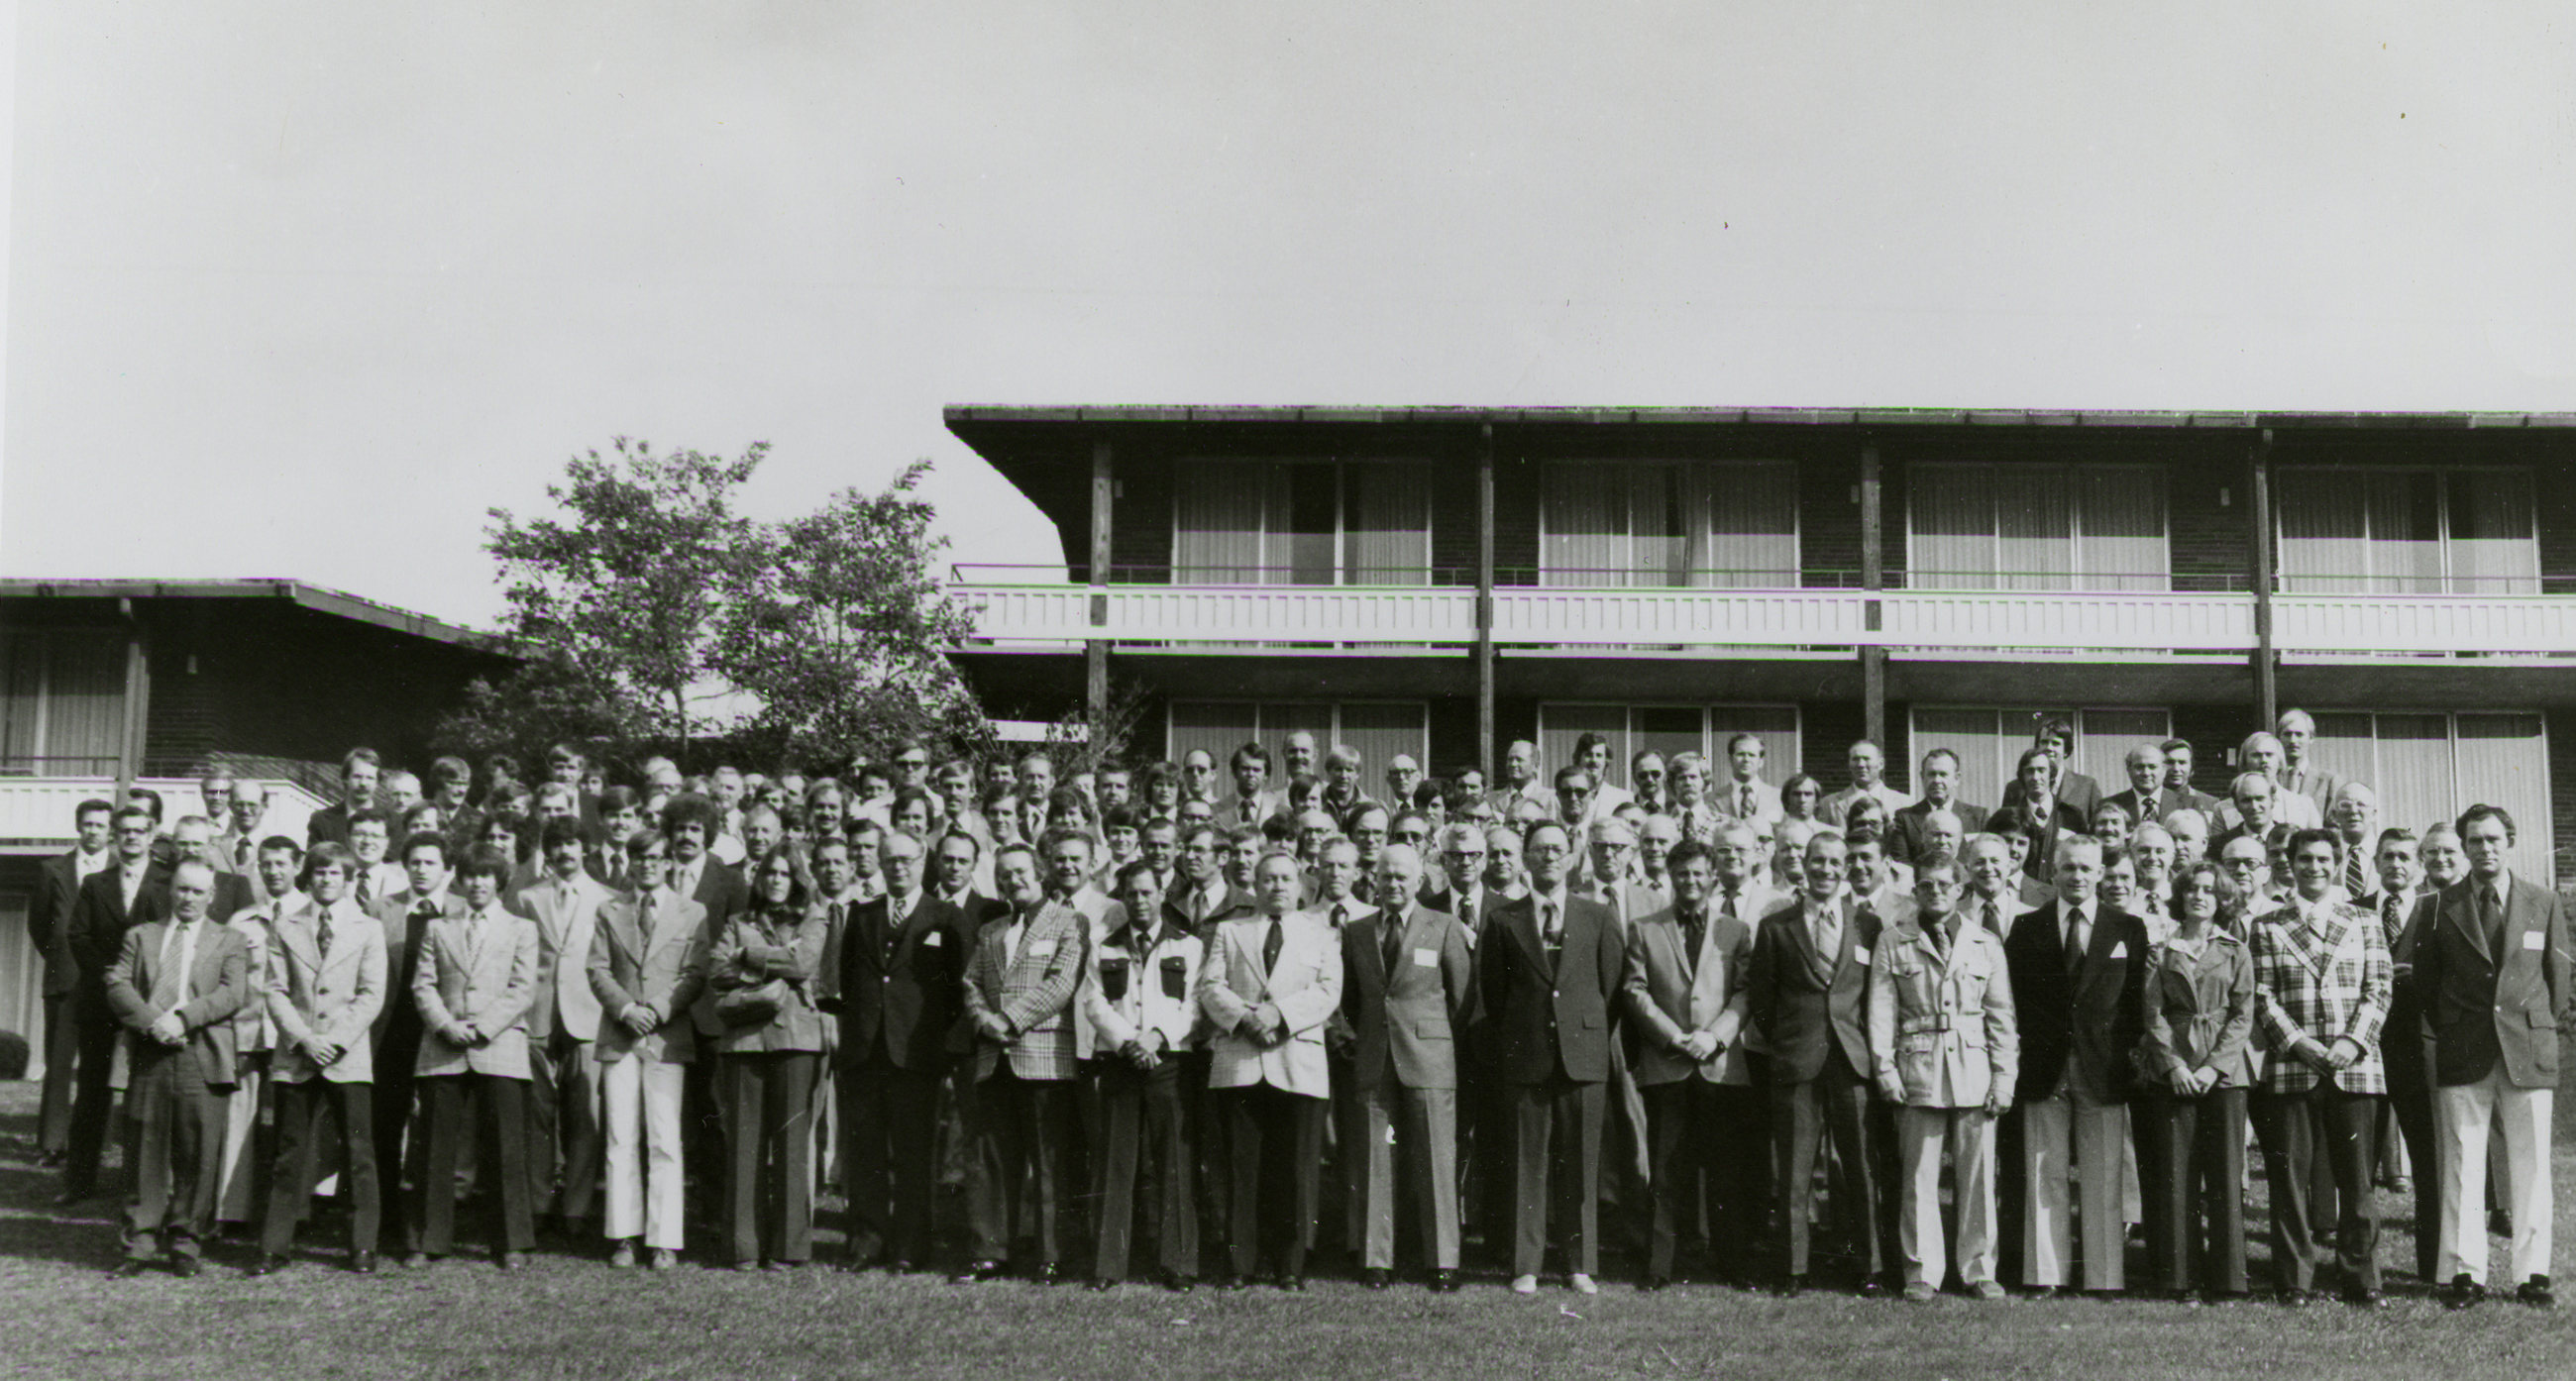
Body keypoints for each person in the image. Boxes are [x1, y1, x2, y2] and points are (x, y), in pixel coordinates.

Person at [2416, 803, 2570, 1310]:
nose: (2484, 849)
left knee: (2532, 1164)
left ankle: (2533, 1273)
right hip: (2464, 1046)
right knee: (2462, 1161)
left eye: (2493, 839)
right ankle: (2465, 1272)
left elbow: (2558, 980)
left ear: (2510, 842)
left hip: (2527, 1046)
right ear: (2464, 847)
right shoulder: (2437, 906)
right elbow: (2426, 983)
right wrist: (2454, 1026)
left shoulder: (2543, 901)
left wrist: (2534, 1027)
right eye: (2475, 841)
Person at [2247, 828, 2392, 1308]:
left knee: (2357, 1181)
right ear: (2290, 864)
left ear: (2337, 864)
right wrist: (2298, 1043)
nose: (2314, 867)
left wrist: (2353, 1041)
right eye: (2305, 859)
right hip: (2293, 1067)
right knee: (2290, 1180)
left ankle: (2362, 1278)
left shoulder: (2364, 920)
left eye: (2323, 859)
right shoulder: (2267, 925)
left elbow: (2379, 988)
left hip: (2356, 1066)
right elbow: (2261, 995)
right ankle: (2294, 1280)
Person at [1999, 836, 2147, 1296]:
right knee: (2044, 1171)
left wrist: (2125, 1057)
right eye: (2069, 867)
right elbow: (2013, 999)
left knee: (2104, 1174)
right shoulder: (2027, 926)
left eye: (2086, 868)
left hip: (2103, 1067)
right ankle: (2046, 1273)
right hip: (2043, 1066)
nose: (2077, 876)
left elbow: (2136, 1003)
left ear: (2101, 873)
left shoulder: (2128, 928)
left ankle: (2104, 1278)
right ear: (2054, 873)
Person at [1867, 852, 2016, 1303]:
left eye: (1944, 885)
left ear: (1960, 890)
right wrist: (1885, 1070)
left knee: (1978, 1177)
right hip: (1919, 1068)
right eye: (1926, 885)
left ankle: (1979, 1269)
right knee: (1919, 1177)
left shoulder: (1984, 942)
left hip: (1974, 1069)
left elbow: (2001, 1017)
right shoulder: (1894, 941)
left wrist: (2004, 1078)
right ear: (1915, 891)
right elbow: (1881, 1013)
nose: (1935, 892)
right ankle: (1922, 1270)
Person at [1481, 821, 1623, 1297]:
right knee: (1528, 1163)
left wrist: (1584, 1033)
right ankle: (1527, 1265)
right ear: (1525, 857)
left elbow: (1612, 990)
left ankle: (1579, 1265)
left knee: (1580, 1164)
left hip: (1583, 1057)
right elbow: (1495, 994)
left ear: (1572, 856)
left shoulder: (1598, 915)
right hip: (1527, 1055)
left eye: (1557, 849)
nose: (1548, 857)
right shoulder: (1504, 919)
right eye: (1539, 849)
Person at [1750, 830, 1893, 1295]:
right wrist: (1791, 1040)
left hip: (1852, 1061)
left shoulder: (1868, 924)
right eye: (1818, 861)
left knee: (1860, 1169)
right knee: (1794, 1172)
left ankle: (1869, 1267)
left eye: (1835, 862)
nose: (1826, 870)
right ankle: (1793, 1269)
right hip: (1797, 1060)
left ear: (1846, 868)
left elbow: (1876, 995)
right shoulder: (1776, 926)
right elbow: (1762, 1001)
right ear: (1803, 865)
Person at [825, 829, 971, 1275]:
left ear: (922, 859)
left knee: (914, 1154)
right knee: (866, 1152)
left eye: (906, 859)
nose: (898, 867)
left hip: (916, 1055)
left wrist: (940, 1047)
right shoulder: (862, 914)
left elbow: (957, 989)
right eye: (889, 860)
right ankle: (866, 1243)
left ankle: (910, 1246)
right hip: (865, 1052)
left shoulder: (945, 916)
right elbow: (848, 981)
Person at [1198, 849, 1342, 1290]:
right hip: (1241, 1059)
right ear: (1255, 885)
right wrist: (1246, 1019)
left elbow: (1328, 991)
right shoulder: (1230, 931)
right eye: (1268, 879)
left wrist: (1278, 1014)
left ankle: (1289, 1264)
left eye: (1285, 879)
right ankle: (1239, 1263)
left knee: (1295, 1168)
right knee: (1241, 1167)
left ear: (1300, 886)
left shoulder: (1322, 934)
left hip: (1297, 1060)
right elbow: (1210, 986)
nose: (1277, 886)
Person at [1622, 838, 1760, 1290]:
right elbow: (1635, 990)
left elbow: (1745, 991)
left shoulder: (1735, 930)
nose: (1691, 881)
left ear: (1713, 877)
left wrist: (1714, 1036)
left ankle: (1732, 1263)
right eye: (1682, 873)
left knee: (1726, 1171)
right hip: (1668, 1063)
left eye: (1699, 873)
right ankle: (1660, 1266)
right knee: (1665, 1170)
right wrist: (1673, 1036)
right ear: (1670, 877)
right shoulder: (1645, 928)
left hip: (1720, 1066)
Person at [102, 859, 250, 1278]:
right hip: (149, 1054)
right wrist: (155, 1023)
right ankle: (139, 1243)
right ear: (170, 891)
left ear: (211, 896)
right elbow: (116, 983)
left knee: (197, 1153)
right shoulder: (140, 935)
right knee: (143, 1151)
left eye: (197, 891)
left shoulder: (230, 939)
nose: (188, 898)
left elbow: (232, 993)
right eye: (182, 889)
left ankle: (185, 1242)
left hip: (201, 1054)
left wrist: (183, 1019)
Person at [1338, 843, 1472, 1292]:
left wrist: (1432, 1037)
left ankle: (1443, 1262)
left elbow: (1462, 997)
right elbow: (1352, 999)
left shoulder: (1444, 925)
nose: (1393, 884)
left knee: (1436, 1159)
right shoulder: (1357, 931)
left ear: (1419, 881)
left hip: (1429, 1059)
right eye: (1386, 876)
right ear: (1374, 881)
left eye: (1402, 877)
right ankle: (1377, 1261)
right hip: (1375, 1058)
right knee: (1376, 1159)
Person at [253, 841, 388, 1276]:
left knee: (359, 1150)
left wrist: (336, 1040)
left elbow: (371, 994)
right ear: (307, 878)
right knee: (290, 1150)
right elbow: (275, 990)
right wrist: (305, 1039)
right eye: (319, 872)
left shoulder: (369, 928)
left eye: (335, 873)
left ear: (349, 880)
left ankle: (362, 1244)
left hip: (348, 1055)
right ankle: (275, 1245)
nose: (326, 879)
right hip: (298, 1055)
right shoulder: (285, 926)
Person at [958, 842, 1088, 1283]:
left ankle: (1052, 1256)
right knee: (993, 1160)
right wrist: (984, 1021)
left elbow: (1061, 984)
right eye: (1004, 874)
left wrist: (1010, 1019)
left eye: (1020, 871)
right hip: (994, 1056)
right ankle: (991, 1253)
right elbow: (971, 981)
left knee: (1049, 1162)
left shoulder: (1069, 921)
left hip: (1045, 1055)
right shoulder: (991, 930)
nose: (1013, 880)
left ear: (1040, 873)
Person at [408, 844, 541, 1268]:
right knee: (435, 1147)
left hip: (498, 1044)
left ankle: (511, 1243)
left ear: (500, 881)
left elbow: (523, 989)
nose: (478, 883)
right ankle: (428, 1240)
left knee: (505, 1147)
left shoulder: (522, 929)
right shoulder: (437, 928)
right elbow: (423, 985)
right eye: (470, 875)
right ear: (459, 880)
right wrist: (446, 1025)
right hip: (443, 1045)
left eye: (487, 875)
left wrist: (482, 1027)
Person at [1084, 860, 1208, 1290]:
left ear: (1162, 894)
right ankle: (1109, 1265)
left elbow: (1195, 1003)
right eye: (1131, 893)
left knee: (1174, 1161)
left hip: (1168, 1062)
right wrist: (1129, 1041)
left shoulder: (1188, 946)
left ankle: (1179, 1263)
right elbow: (1094, 1003)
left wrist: (1157, 1036)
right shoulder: (1104, 947)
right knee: (1116, 1162)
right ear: (1122, 897)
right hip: (1121, 1061)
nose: (1139, 901)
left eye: (1146, 892)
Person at [706, 845, 830, 1270]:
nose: (776, 880)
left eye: (784, 873)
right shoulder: (737, 921)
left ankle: (789, 1248)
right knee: (745, 1144)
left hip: (797, 1039)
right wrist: (771, 961)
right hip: (745, 1039)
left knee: (792, 1144)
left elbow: (803, 962)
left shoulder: (813, 916)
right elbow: (716, 971)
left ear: (797, 879)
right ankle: (744, 1247)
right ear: (758, 879)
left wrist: (747, 955)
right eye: (769, 873)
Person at [588, 830, 707, 1270]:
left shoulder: (692, 912)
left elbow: (694, 973)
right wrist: (626, 1010)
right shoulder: (609, 909)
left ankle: (664, 1240)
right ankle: (624, 1235)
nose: (647, 864)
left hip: (666, 1035)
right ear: (631, 861)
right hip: (620, 1034)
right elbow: (597, 968)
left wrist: (655, 1009)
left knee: (665, 1138)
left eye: (656, 857)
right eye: (639, 857)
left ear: (669, 860)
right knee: (621, 1137)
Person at [2136, 861, 2254, 1302]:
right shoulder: (2161, 950)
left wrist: (2212, 1068)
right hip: (2175, 1072)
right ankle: (2179, 1278)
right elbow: (2152, 1013)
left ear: (2223, 900)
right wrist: (2176, 1067)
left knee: (2225, 1174)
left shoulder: (2236, 950)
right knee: (2176, 1174)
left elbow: (2243, 1015)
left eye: (2209, 890)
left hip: (2224, 1075)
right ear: (2180, 896)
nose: (2199, 896)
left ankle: (2228, 1279)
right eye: (2192, 889)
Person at [63, 803, 173, 1204]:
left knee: (143, 1095)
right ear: (115, 835)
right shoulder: (96, 883)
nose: (131, 837)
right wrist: (111, 977)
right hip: (100, 1001)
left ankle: (138, 1187)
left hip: (147, 1003)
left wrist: (139, 987)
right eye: (124, 831)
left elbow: (170, 937)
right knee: (92, 1093)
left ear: (151, 835)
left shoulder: (168, 882)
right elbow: (78, 936)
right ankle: (79, 1182)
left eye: (139, 831)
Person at [30, 797, 113, 1167]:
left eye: (100, 825)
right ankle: (52, 1142)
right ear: (78, 826)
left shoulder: (118, 867)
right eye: (88, 824)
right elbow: (38, 924)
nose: (93, 831)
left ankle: (98, 1140)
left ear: (110, 830)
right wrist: (60, 958)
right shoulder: (53, 869)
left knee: (101, 1065)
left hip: (106, 979)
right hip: (64, 979)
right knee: (59, 1064)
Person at [1890, 750, 1986, 866]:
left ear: (1956, 779)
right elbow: (1901, 865)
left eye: (1943, 774)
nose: (1936, 780)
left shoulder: (1978, 818)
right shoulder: (1905, 819)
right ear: (1922, 777)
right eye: (1931, 774)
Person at [1819, 740, 1912, 829]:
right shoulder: (1828, 804)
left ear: (1881, 764)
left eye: (1866, 759)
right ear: (1849, 764)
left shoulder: (1904, 803)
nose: (1860, 764)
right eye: (1855, 759)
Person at [1716, 733, 1780, 827]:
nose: (1746, 759)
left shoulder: (1779, 798)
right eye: (1741, 754)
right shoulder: (1711, 799)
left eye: (1752, 755)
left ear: (1761, 761)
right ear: (1730, 759)